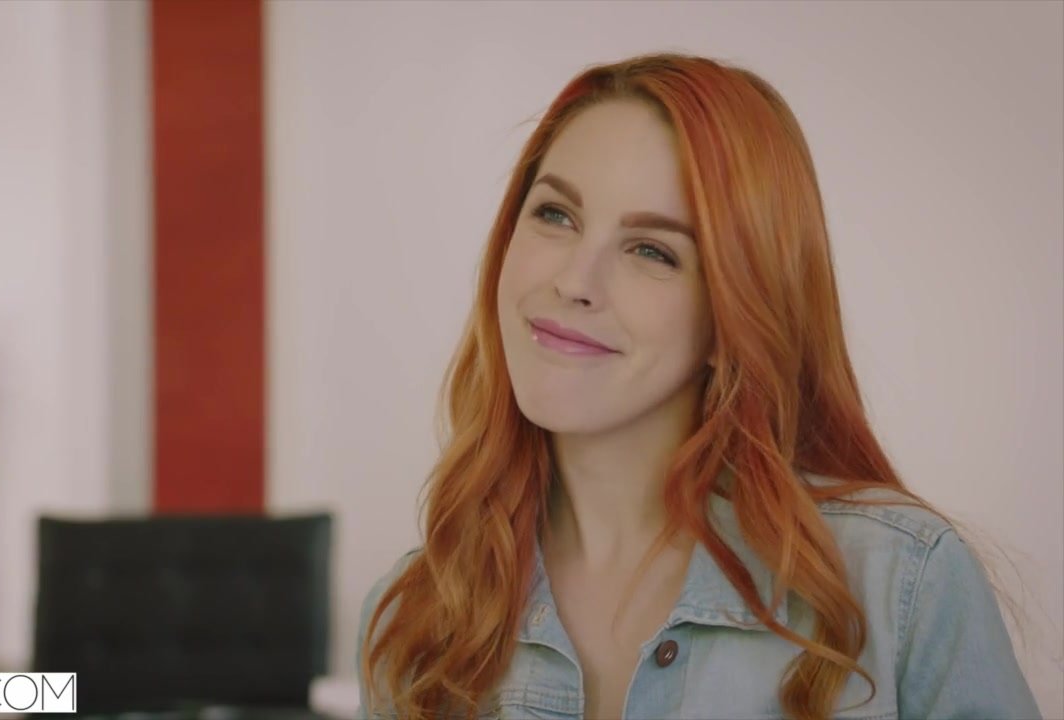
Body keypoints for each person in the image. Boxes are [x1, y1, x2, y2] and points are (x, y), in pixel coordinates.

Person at [354, 53, 1041, 720]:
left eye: (652, 250)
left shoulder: (903, 583)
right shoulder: (412, 620)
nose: (573, 282)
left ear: (734, 312)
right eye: (556, 215)